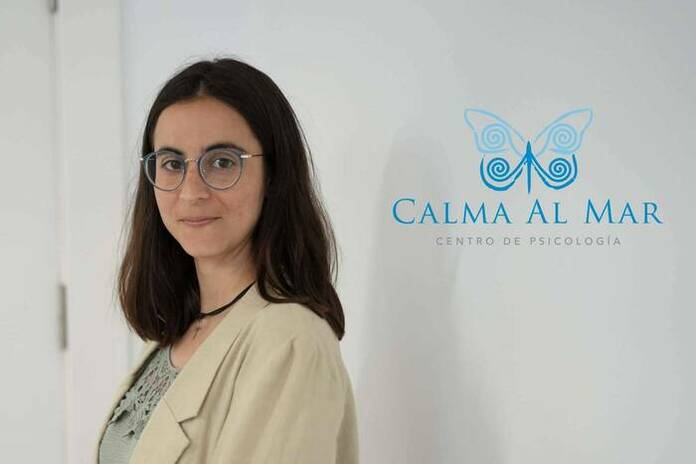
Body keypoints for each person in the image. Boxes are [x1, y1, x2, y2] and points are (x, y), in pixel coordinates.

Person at [92, 57, 359, 463]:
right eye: (172, 164)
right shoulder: (174, 333)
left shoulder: (290, 341)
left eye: (221, 162)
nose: (191, 192)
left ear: (274, 175)